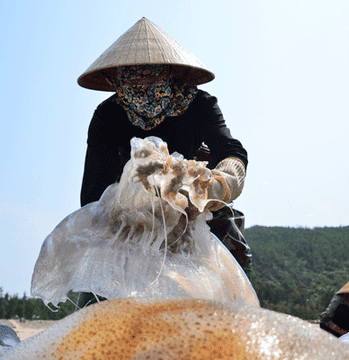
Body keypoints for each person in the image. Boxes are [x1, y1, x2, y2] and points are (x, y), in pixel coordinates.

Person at [76, 17, 251, 307]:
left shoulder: (200, 106)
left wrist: (218, 185)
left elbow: (230, 151)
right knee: (100, 279)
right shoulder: (108, 116)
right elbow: (93, 191)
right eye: (131, 79)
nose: (140, 87)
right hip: (127, 208)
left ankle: (242, 321)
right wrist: (126, 209)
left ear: (171, 75)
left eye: (150, 77)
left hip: (189, 202)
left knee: (231, 235)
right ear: (116, 81)